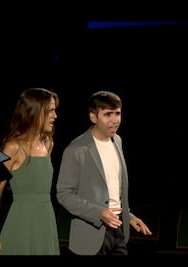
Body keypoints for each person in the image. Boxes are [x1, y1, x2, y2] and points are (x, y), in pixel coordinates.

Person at [56, 90, 152, 255]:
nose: (114, 120)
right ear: (93, 117)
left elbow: (113, 192)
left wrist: (129, 217)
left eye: (117, 113)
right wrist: (98, 213)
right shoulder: (76, 149)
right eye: (108, 114)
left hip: (118, 232)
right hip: (90, 237)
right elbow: (64, 194)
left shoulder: (118, 141)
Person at [0, 87, 60, 255]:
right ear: (34, 112)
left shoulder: (48, 144)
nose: (55, 116)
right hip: (21, 223)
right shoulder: (13, 147)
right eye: (50, 111)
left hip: (46, 223)